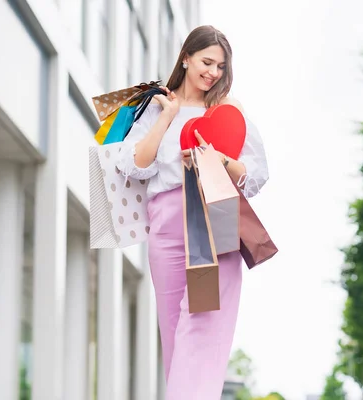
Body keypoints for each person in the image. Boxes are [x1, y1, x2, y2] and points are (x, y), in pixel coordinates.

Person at [115, 25, 269, 399]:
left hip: (212, 218)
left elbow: (257, 173)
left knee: (203, 323)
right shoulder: (153, 106)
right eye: (206, 61)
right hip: (165, 225)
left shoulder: (228, 110)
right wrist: (167, 117)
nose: (213, 72)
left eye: (220, 65)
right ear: (186, 57)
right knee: (175, 333)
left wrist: (218, 159)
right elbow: (133, 163)